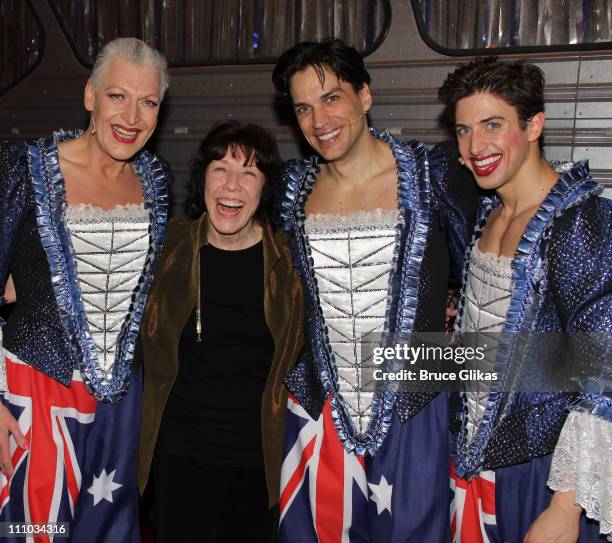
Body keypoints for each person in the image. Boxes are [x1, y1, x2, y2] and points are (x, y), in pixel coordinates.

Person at [271, 39, 478, 542]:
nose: (319, 120)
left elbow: (489, 270)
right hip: (320, 411)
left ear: (365, 95)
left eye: (332, 98)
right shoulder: (291, 189)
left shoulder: (434, 175)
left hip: (414, 411)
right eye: (303, 107)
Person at [0, 38, 170, 542]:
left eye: (148, 102)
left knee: (108, 531)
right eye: (118, 96)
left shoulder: (155, 178)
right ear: (90, 97)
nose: (132, 116)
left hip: (119, 402)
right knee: (37, 527)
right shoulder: (24, 169)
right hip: (36, 388)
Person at [439, 57, 611, 542]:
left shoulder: (583, 221)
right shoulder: (487, 212)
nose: (476, 148)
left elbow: (603, 371)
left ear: (534, 125)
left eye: (493, 126)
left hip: (544, 470)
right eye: (464, 130)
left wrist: (565, 508)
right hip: (474, 460)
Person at [137, 121, 304, 542]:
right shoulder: (165, 249)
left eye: (249, 172)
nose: (233, 185)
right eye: (220, 169)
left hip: (259, 459)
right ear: (202, 178)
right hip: (179, 455)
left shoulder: (292, 264)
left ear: (265, 188)